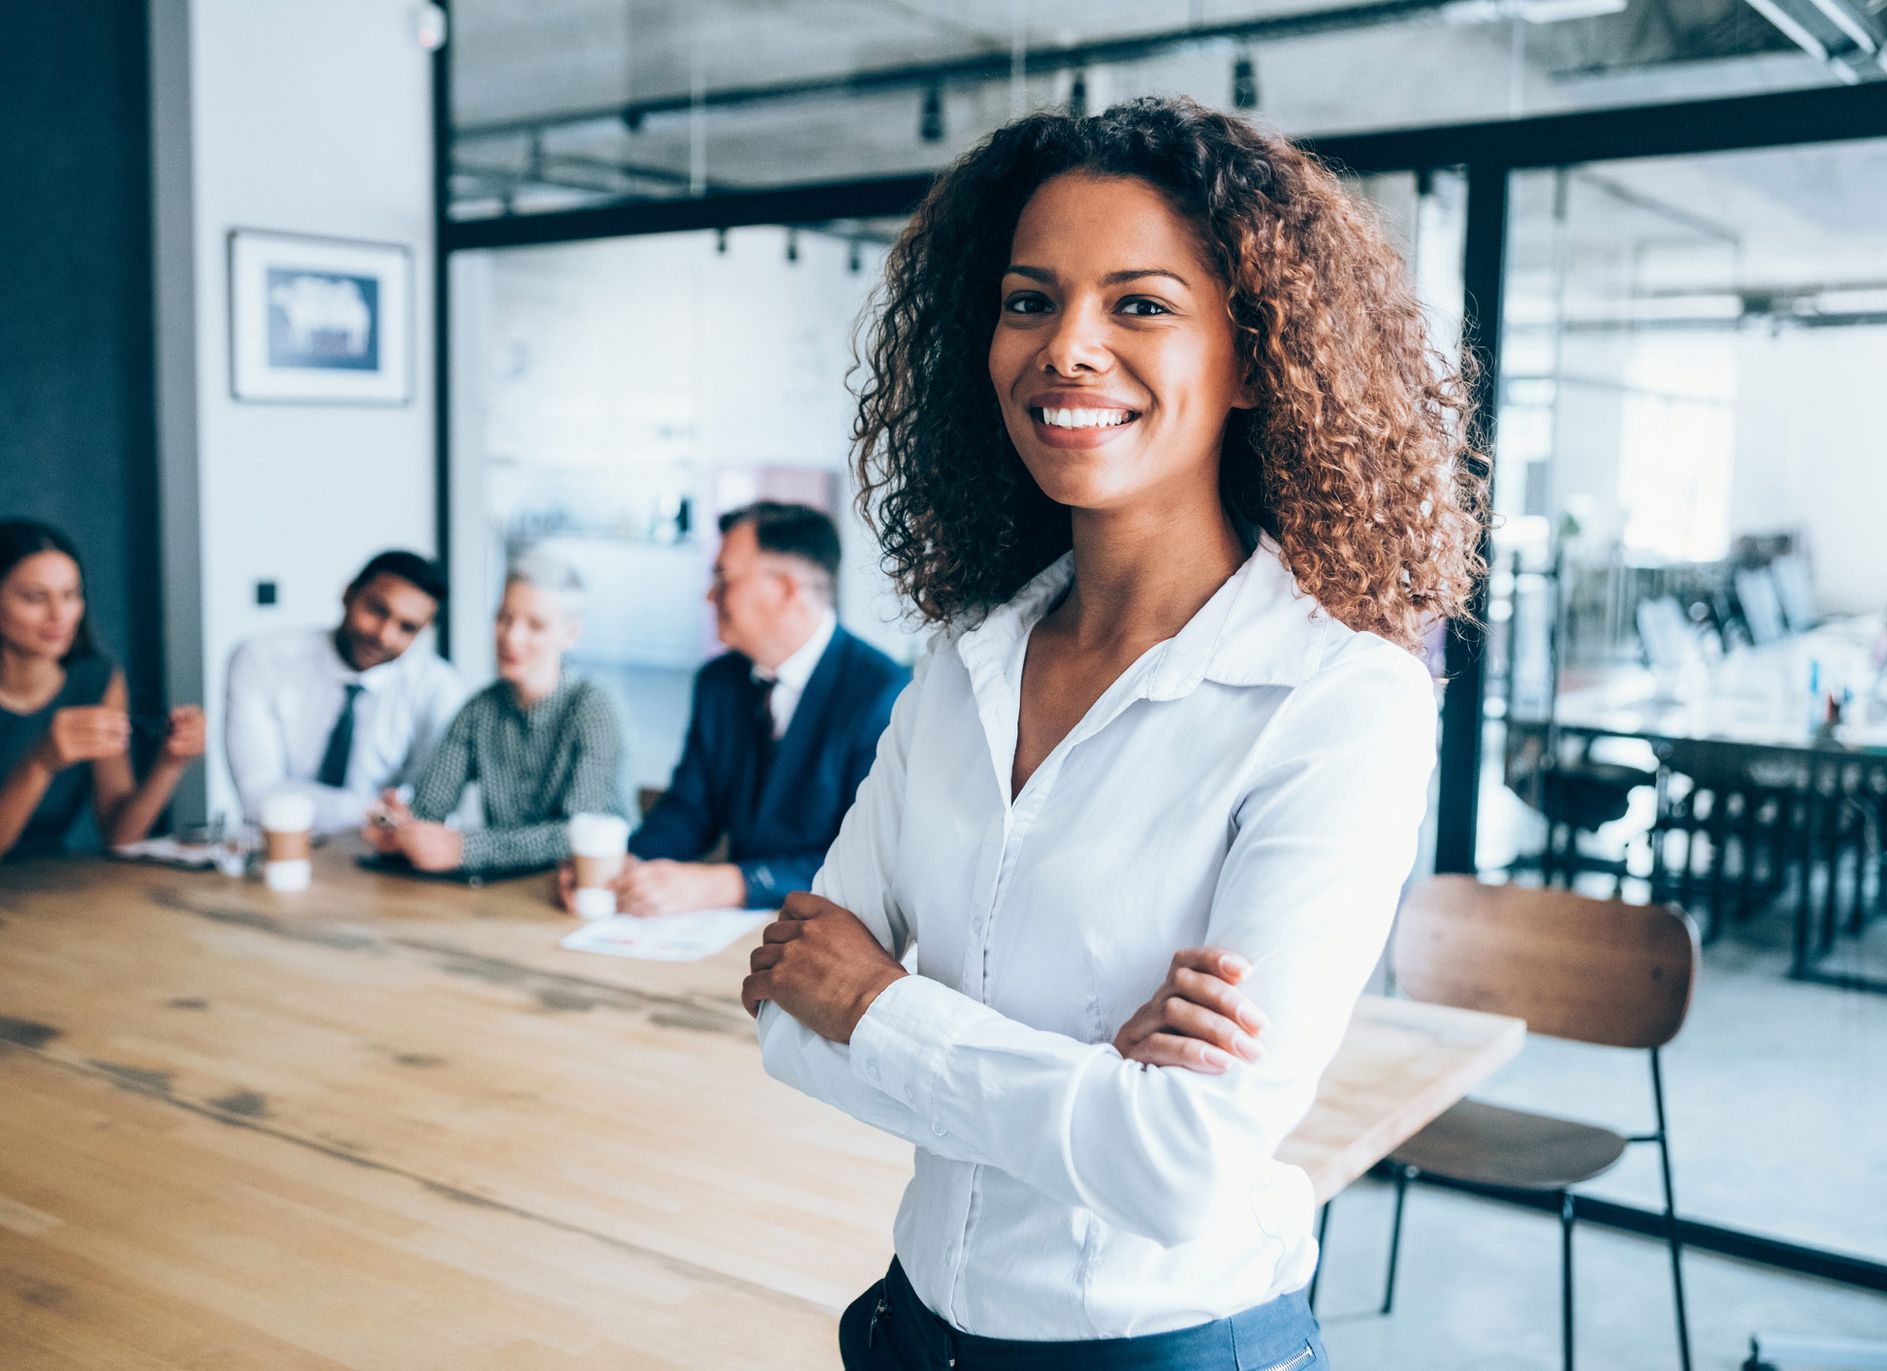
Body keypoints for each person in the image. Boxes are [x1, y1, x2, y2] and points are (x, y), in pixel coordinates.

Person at [739, 98, 1486, 1370]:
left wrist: (885, 1001)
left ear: (1256, 357)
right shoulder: (965, 659)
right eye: (1030, 302)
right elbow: (785, 1017)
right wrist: (1088, 1079)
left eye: (1138, 304)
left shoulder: (1337, 700)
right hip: (915, 1331)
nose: (1067, 348)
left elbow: (1182, 1168)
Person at [556, 502, 907, 916]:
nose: (709, 595)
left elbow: (872, 863)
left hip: (834, 937)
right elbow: (690, 808)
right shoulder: (718, 682)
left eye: (724, 579)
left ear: (788, 590)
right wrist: (629, 866)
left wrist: (728, 884)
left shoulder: (884, 694)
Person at [364, 553, 631, 874]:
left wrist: (464, 848)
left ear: (570, 634)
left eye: (535, 625)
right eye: (504, 617)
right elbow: (428, 808)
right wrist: (401, 828)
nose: (511, 637)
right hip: (508, 895)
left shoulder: (595, 707)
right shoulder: (479, 710)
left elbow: (579, 832)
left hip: (588, 889)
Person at [0, 520, 207, 861]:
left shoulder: (97, 679)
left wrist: (171, 761)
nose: (59, 615)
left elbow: (119, 836)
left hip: (54, 887)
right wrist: (38, 764)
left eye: (70, 595)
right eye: (35, 598)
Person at [225, 550, 464, 835]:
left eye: (407, 627)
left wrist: (394, 814)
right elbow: (258, 794)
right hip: (280, 849)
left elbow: (429, 805)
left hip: (386, 859)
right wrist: (373, 810)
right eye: (377, 610)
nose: (384, 635)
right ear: (348, 593)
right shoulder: (261, 658)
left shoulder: (438, 686)